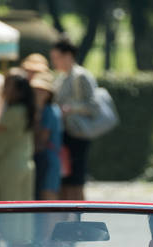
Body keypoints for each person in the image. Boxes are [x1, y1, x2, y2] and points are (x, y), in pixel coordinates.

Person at [50, 36, 97, 201]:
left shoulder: (81, 76)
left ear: (68, 55)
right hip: (66, 134)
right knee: (66, 181)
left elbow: (93, 106)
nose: (54, 62)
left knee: (76, 182)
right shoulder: (62, 78)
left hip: (78, 135)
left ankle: (80, 222)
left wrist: (70, 109)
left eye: (57, 57)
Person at [0, 70, 36, 202]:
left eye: (7, 85)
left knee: (8, 205)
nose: (4, 89)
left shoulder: (14, 112)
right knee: (24, 208)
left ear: (19, 91)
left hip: (11, 166)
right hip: (26, 164)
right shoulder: (26, 110)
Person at [31, 72, 62, 201]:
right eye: (36, 90)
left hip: (49, 160)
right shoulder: (42, 109)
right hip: (44, 159)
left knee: (47, 198)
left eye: (42, 91)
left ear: (49, 93)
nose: (38, 93)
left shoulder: (50, 111)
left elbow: (42, 139)